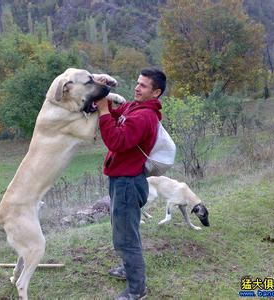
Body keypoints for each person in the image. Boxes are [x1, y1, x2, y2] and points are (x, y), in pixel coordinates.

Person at [96, 67, 167, 300]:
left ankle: (137, 289)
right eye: (138, 83)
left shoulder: (145, 116)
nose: (137, 87)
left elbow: (117, 140)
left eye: (143, 85)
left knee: (126, 237)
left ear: (155, 92)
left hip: (128, 182)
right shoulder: (135, 107)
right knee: (123, 230)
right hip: (121, 178)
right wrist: (103, 92)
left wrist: (104, 112)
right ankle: (128, 270)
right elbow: (118, 116)